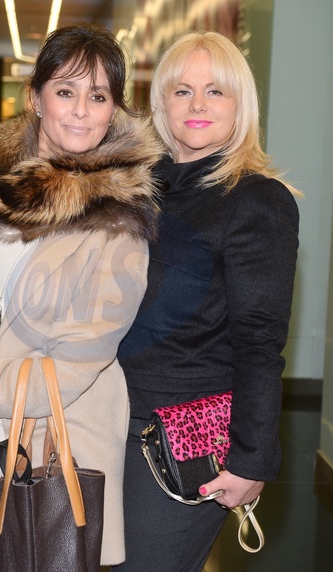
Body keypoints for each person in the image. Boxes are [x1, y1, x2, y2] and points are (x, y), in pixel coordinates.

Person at [0, 23, 163, 570]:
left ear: (114, 110)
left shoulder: (119, 221)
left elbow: (79, 359)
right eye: (65, 91)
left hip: (50, 453)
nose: (81, 110)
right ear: (36, 98)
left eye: (99, 96)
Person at [115, 31, 300, 571]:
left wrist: (251, 459)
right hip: (101, 421)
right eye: (182, 90)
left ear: (241, 106)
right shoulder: (135, 189)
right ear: (161, 102)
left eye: (215, 91)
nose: (197, 104)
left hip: (177, 440)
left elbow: (260, 341)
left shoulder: (257, 200)